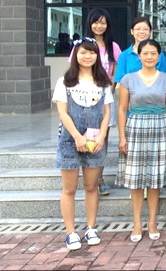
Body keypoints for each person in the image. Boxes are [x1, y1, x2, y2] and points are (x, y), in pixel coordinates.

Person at [52, 38, 112, 250]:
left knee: (91, 187)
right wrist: (78, 136)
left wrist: (102, 136)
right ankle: (70, 232)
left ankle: (91, 228)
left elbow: (107, 113)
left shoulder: (103, 82)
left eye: (92, 52)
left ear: (97, 56)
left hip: (95, 141)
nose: (88, 56)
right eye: (83, 52)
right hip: (70, 140)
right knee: (69, 189)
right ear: (75, 55)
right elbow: (62, 113)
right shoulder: (65, 81)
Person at [116, 39, 166, 243]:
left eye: (153, 53)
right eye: (145, 53)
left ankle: (152, 222)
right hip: (135, 128)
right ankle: (136, 223)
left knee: (154, 179)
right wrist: (122, 136)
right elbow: (122, 109)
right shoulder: (128, 79)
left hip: (160, 127)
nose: (149, 57)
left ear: (159, 56)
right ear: (139, 55)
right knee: (136, 180)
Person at [69, 8, 122, 196]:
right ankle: (86, 176)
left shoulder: (113, 47)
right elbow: (73, 70)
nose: (99, 26)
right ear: (89, 24)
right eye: (96, 22)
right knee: (82, 133)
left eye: (103, 22)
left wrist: (109, 91)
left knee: (102, 138)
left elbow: (117, 72)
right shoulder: (81, 45)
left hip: (104, 97)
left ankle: (99, 178)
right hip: (82, 97)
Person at [114, 17, 166, 85]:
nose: (141, 32)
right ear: (132, 31)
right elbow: (120, 82)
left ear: (150, 32)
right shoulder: (124, 56)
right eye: (138, 29)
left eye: (145, 29)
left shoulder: (158, 53)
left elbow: (165, 79)